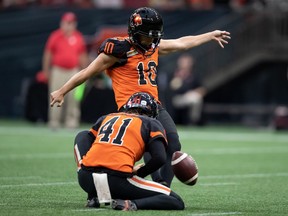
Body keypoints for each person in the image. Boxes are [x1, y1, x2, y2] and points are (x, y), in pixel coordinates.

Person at [50, 7, 231, 186]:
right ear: (135, 33)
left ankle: (162, 187)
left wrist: (209, 36)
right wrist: (62, 91)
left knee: (173, 143)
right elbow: (87, 72)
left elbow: (181, 43)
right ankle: (145, 182)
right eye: (148, 35)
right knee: (150, 147)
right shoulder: (118, 51)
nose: (152, 39)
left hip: (154, 106)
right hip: (132, 110)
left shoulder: (153, 46)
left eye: (155, 35)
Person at [74, 92, 185, 210]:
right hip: (117, 180)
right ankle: (131, 204)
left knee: (82, 134)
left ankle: (93, 195)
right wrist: (138, 173)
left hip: (86, 178)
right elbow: (160, 158)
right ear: (151, 112)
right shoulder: (151, 122)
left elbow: (84, 138)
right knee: (176, 201)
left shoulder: (107, 117)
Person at [43, 11, 88, 129]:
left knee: (74, 97)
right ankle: (54, 120)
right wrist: (46, 70)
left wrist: (85, 72)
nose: (69, 25)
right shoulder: (55, 36)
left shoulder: (78, 37)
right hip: (58, 70)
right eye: (67, 23)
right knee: (55, 95)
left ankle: (71, 120)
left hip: (74, 71)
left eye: (71, 23)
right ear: (62, 23)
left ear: (74, 24)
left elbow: (82, 55)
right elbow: (48, 54)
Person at [170, 54, 206, 125]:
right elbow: (170, 88)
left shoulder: (194, 75)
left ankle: (193, 121)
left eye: (187, 62)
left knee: (196, 99)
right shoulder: (174, 74)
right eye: (183, 62)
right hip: (176, 98)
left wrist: (193, 92)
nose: (185, 64)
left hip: (188, 98)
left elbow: (203, 89)